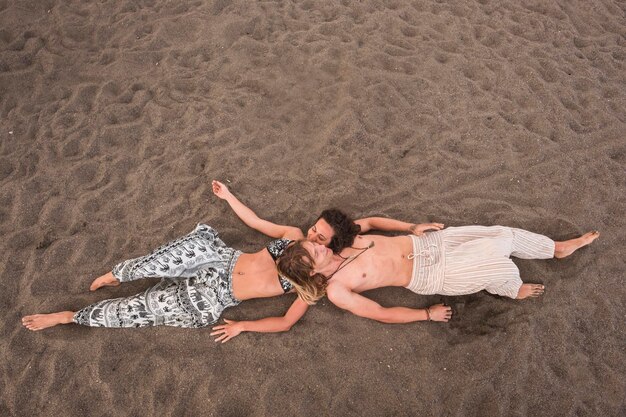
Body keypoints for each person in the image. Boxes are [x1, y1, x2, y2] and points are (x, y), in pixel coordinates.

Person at [22, 181, 443, 342]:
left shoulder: (308, 287)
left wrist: (243, 325)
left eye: (322, 240)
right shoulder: (294, 238)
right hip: (216, 258)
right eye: (315, 232)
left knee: (144, 310)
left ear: (330, 251)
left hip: (216, 294)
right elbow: (258, 222)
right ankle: (121, 273)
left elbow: (284, 323)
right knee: (161, 261)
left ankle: (71, 316)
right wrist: (229, 198)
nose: (314, 237)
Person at [277, 226, 600, 323]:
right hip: (432, 273)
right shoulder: (337, 289)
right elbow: (380, 313)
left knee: (500, 236)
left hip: (432, 242)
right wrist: (425, 314)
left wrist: (411, 228)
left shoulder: (339, 242)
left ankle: (555, 248)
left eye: (314, 245)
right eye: (315, 253)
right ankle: (511, 288)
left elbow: (373, 222)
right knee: (496, 262)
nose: (321, 248)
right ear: (312, 271)